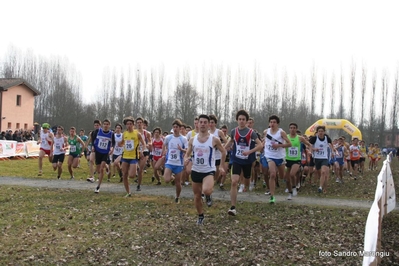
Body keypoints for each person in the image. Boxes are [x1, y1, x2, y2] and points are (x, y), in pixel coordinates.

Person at [184, 114, 226, 225]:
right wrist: (186, 159)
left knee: (206, 190)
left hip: (208, 170)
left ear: (208, 125)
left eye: (205, 122)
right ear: (197, 124)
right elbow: (187, 153)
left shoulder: (214, 139)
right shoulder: (193, 139)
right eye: (200, 122)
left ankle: (208, 195)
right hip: (196, 170)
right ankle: (201, 215)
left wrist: (221, 166)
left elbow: (223, 152)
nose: (202, 124)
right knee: (197, 196)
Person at [223, 110, 262, 216]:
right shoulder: (234, 131)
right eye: (239, 119)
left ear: (246, 120)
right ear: (237, 120)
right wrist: (222, 148)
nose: (241, 121)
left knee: (246, 181)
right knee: (234, 181)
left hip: (247, 160)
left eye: (243, 119)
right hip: (236, 159)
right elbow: (230, 141)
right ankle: (233, 207)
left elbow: (260, 145)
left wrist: (249, 152)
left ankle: (246, 186)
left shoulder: (251, 132)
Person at [263, 115, 292, 203]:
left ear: (278, 124)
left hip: (280, 157)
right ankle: (272, 196)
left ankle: (290, 190)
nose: (272, 124)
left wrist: (279, 145)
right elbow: (265, 141)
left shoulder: (281, 132)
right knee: (272, 174)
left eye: (274, 122)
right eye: (271, 122)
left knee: (283, 177)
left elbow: (289, 144)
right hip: (269, 156)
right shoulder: (266, 132)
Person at [118, 116, 146, 197]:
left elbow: (144, 144)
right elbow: (123, 143)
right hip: (125, 156)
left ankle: (135, 169)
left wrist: (142, 151)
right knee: (125, 175)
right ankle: (128, 192)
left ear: (133, 125)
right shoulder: (124, 134)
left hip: (133, 157)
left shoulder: (137, 134)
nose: (129, 125)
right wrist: (119, 144)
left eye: (130, 124)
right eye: (127, 124)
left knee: (132, 175)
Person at [162, 119, 188, 203]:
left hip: (178, 163)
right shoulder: (168, 137)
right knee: (166, 180)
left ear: (180, 128)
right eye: (174, 127)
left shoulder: (183, 139)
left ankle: (177, 197)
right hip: (169, 162)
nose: (175, 129)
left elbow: (187, 150)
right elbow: (164, 144)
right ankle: (171, 178)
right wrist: (164, 151)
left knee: (178, 183)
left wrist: (182, 149)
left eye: (177, 127)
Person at [284, 123, 310, 200]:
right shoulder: (286, 137)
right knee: (287, 179)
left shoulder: (300, 138)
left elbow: (308, 144)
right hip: (287, 159)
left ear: (296, 129)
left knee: (292, 174)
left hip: (296, 159)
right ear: (289, 129)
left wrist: (312, 149)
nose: (292, 129)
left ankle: (294, 187)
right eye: (291, 128)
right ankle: (290, 193)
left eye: (294, 128)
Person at [309, 126, 336, 193]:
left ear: (324, 132)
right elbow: (309, 146)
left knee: (324, 172)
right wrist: (313, 150)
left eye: (322, 131)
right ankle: (324, 186)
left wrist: (332, 152)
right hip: (316, 158)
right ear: (317, 132)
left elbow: (332, 146)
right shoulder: (314, 138)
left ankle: (320, 187)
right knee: (320, 174)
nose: (320, 132)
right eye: (319, 131)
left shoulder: (327, 138)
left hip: (324, 158)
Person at [91, 119, 115, 193]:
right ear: (102, 125)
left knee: (101, 169)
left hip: (105, 152)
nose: (106, 125)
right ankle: (107, 167)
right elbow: (93, 139)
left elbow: (113, 143)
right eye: (104, 124)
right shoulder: (98, 131)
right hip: (98, 152)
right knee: (98, 169)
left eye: (107, 124)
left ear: (109, 125)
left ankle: (98, 187)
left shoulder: (111, 133)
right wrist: (92, 146)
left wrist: (112, 149)